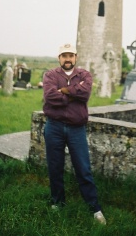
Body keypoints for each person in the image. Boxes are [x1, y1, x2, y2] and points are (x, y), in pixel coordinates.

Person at [43, 43, 106, 225]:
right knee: (55, 167)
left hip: (76, 129)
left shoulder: (84, 75)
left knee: (83, 169)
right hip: (54, 127)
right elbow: (50, 97)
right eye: (64, 55)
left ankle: (94, 208)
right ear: (59, 58)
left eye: (71, 55)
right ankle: (57, 202)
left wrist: (64, 91)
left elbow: (85, 93)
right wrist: (72, 95)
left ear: (76, 57)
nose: (68, 59)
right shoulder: (50, 75)